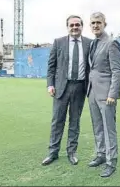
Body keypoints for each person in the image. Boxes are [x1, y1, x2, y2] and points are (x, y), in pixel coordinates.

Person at [42, 15, 92, 166]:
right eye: (72, 25)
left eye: (77, 25)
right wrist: (50, 84)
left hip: (80, 87)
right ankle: (53, 152)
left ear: (82, 26)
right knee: (57, 121)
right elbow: (51, 66)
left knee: (75, 122)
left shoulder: (90, 43)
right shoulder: (58, 42)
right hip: (61, 88)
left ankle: (72, 152)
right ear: (67, 27)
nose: (75, 27)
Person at [87, 12, 120, 177]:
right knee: (97, 127)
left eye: (98, 22)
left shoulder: (111, 43)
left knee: (109, 129)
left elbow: (117, 71)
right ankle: (101, 155)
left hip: (107, 94)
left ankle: (111, 161)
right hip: (92, 93)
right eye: (93, 23)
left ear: (104, 24)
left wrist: (113, 94)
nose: (95, 25)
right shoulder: (93, 44)